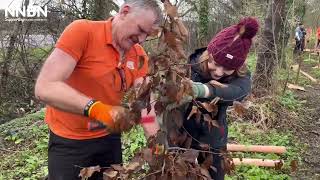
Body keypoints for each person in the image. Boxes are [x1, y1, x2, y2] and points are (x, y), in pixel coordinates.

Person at [34, 0, 162, 179]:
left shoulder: (139, 55)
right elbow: (45, 87)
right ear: (125, 11)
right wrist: (98, 110)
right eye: (140, 29)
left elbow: (146, 107)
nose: (141, 39)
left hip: (109, 140)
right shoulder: (83, 32)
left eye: (146, 35)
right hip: (69, 141)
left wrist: (156, 145)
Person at [178, 17, 259, 179]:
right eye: (215, 63)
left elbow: (238, 91)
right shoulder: (189, 65)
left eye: (228, 68)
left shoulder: (241, 77)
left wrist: (204, 90)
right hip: (181, 137)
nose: (219, 72)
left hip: (213, 141)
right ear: (209, 54)